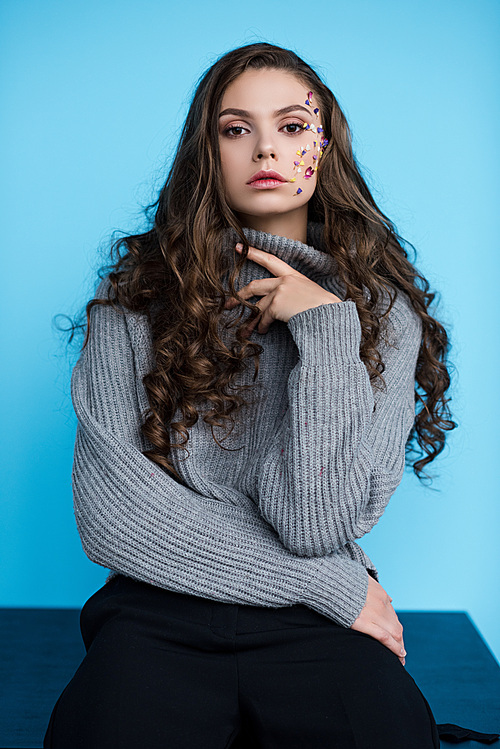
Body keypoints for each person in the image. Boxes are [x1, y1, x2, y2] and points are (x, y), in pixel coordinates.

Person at [44, 42, 456, 748]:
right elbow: (113, 519)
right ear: (210, 153)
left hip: (315, 629)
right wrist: (336, 586)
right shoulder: (132, 300)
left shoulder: (382, 314)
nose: (266, 145)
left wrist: (324, 328)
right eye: (237, 129)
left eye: (293, 126)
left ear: (324, 148)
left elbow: (314, 523)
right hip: (160, 609)